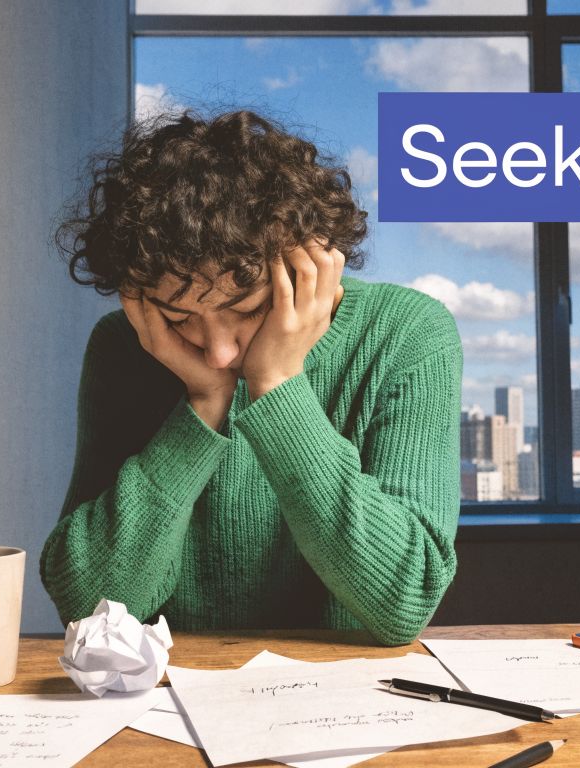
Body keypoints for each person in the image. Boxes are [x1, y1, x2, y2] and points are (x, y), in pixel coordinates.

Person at [40, 108, 463, 646]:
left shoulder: (408, 334)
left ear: (313, 266)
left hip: (347, 687)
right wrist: (203, 405)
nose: (218, 353)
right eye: (180, 318)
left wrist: (278, 384)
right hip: (169, 687)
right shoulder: (126, 346)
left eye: (246, 309)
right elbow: (88, 608)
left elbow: (402, 602)